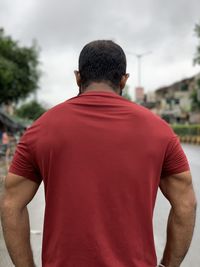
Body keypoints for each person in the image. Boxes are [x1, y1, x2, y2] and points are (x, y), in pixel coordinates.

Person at [0, 40, 197, 267]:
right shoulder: (160, 132)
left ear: (78, 77)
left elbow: (10, 203)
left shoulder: (41, 129)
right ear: (124, 79)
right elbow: (186, 204)